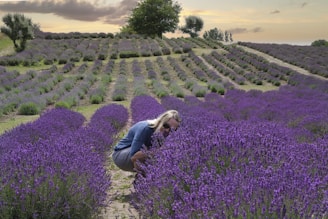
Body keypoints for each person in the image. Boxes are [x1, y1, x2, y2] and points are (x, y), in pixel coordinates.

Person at [112, 109, 181, 172]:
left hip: (134, 154)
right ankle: (141, 178)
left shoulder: (166, 134)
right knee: (150, 153)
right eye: (166, 125)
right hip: (121, 155)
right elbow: (134, 157)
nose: (167, 130)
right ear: (160, 121)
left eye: (172, 130)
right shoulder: (145, 128)